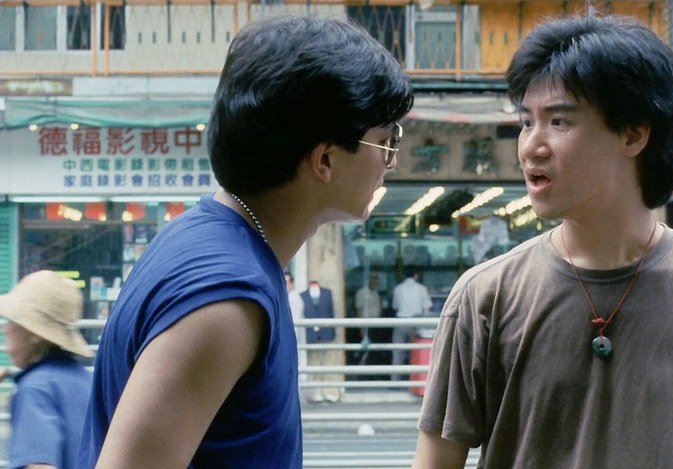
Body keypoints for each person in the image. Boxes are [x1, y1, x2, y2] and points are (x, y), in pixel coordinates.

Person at [414, 14, 673, 469]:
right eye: (526, 122)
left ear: (633, 133)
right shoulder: (484, 297)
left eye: (558, 121)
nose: (531, 146)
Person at [77, 15, 413, 468]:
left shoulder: (212, 243)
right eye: (386, 141)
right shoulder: (226, 300)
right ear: (326, 160)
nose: (391, 161)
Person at [0, 270, 93, 469]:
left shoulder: (36, 388)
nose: (4, 328)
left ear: (34, 334)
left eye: (12, 321)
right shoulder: (86, 380)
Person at [301, 280, 341, 403]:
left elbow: (331, 313)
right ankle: (315, 393)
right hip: (311, 334)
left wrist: (333, 332)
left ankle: (330, 391)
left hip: (326, 332)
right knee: (313, 363)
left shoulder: (327, 293)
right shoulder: (302, 295)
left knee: (328, 363)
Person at [391, 268, 432, 380]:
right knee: (416, 352)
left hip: (401, 321)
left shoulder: (398, 288)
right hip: (416, 322)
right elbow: (427, 308)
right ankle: (414, 380)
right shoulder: (422, 289)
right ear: (416, 275)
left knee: (397, 352)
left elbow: (394, 306)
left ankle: (395, 380)